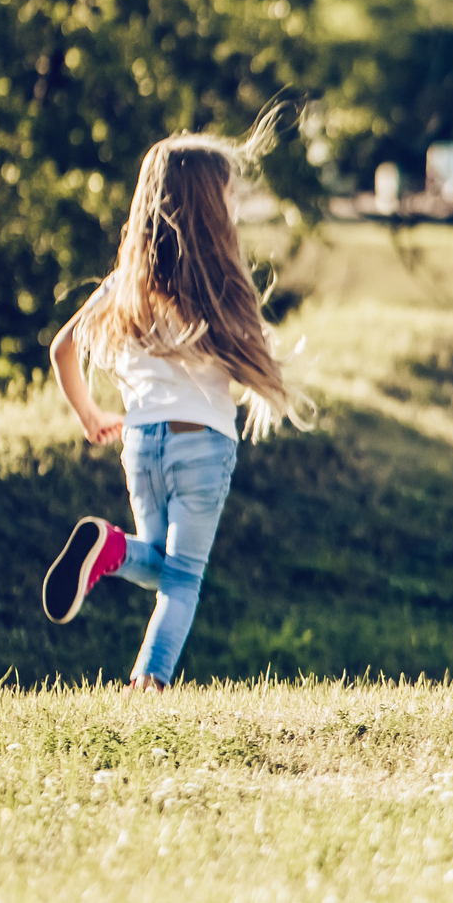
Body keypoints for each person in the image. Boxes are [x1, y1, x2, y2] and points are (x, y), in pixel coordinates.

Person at [39, 111, 308, 691]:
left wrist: (90, 415)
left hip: (140, 443)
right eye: (230, 196)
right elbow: (248, 362)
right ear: (213, 207)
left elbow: (63, 349)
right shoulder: (219, 283)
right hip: (202, 445)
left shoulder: (125, 284)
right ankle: (149, 685)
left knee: (160, 562)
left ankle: (108, 547)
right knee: (182, 579)